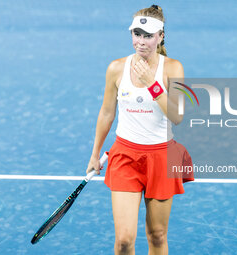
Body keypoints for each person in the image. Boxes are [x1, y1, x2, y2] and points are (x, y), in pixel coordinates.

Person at [86, 5, 194, 255]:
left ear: (161, 36)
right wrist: (95, 153)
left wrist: (151, 84)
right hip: (124, 156)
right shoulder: (116, 68)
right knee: (124, 240)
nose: (141, 42)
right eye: (137, 34)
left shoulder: (173, 68)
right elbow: (106, 113)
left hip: (162, 157)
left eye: (148, 36)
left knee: (157, 236)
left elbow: (177, 116)